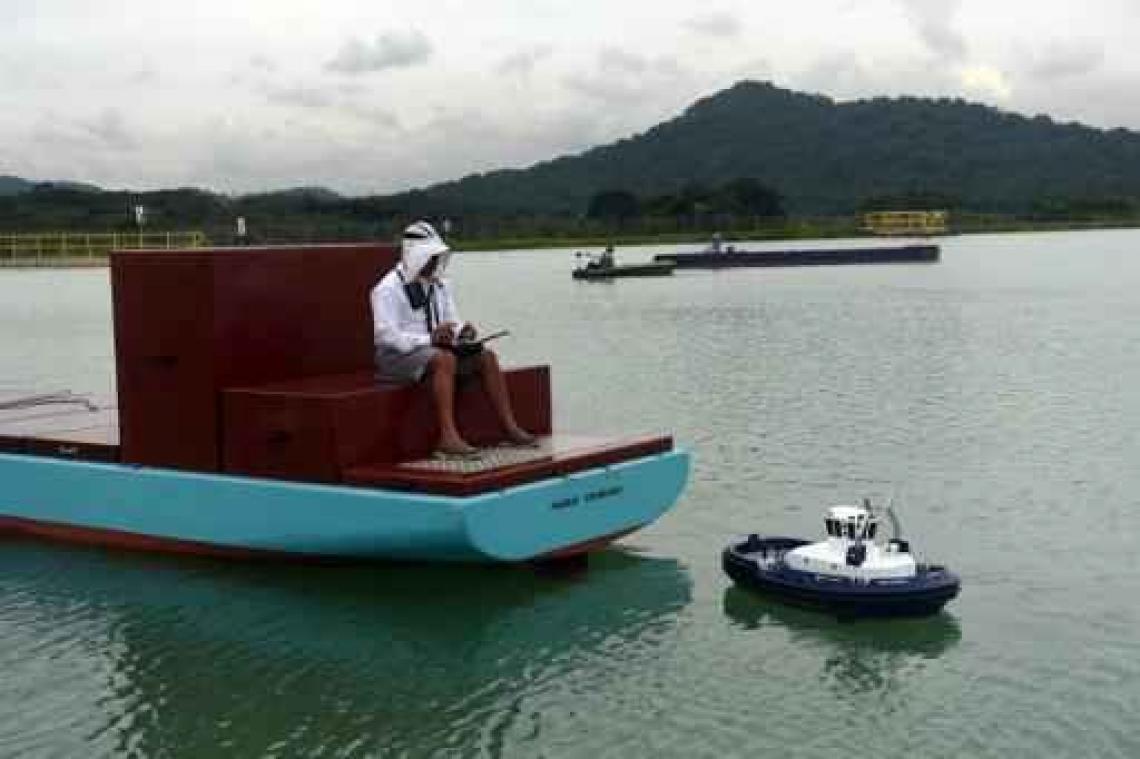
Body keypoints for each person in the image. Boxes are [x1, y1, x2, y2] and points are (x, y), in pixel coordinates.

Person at [371, 221, 536, 456]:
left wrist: (462, 332)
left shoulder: (439, 285)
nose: (435, 262)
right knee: (444, 359)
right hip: (395, 358)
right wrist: (429, 339)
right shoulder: (388, 288)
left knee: (486, 356)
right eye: (430, 256)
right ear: (415, 256)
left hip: (436, 351)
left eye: (437, 256)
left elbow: (452, 319)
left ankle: (510, 427)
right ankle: (447, 437)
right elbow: (385, 337)